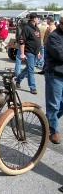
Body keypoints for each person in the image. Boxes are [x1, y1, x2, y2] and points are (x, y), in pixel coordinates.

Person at [44, 12, 63, 144]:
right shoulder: (53, 36)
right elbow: (60, 55)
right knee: (54, 104)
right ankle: (53, 131)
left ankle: (47, 119)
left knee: (60, 105)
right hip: (55, 74)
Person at [15, 12, 41, 94]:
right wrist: (22, 53)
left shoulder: (36, 28)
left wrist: (39, 52)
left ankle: (18, 79)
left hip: (35, 52)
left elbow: (38, 41)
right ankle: (32, 87)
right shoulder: (27, 28)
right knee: (31, 70)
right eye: (38, 18)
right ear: (34, 19)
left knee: (29, 68)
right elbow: (22, 41)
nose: (39, 19)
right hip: (29, 52)